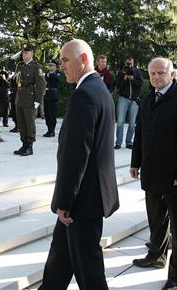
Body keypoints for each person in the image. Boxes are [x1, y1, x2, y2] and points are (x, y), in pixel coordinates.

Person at [39, 39, 120, 290]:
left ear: (83, 59)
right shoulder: (100, 90)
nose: (61, 65)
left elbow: (76, 156)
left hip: (82, 203)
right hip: (88, 197)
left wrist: (65, 202)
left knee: (90, 273)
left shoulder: (84, 95)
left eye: (65, 60)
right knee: (58, 262)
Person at [130, 58, 177, 290]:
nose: (156, 77)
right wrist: (135, 162)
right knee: (156, 219)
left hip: (175, 177)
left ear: (171, 75)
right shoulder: (148, 99)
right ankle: (156, 256)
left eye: (161, 73)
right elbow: (140, 133)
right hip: (152, 173)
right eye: (152, 74)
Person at [13, 44, 46, 156]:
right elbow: (10, 64)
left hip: (30, 98)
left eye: (26, 52)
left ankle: (30, 146)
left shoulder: (36, 67)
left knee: (29, 123)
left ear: (32, 53)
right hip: (20, 98)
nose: (24, 54)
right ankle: (24, 144)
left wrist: (38, 100)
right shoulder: (21, 66)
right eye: (23, 52)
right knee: (21, 122)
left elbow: (41, 85)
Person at [115, 55, 143, 149]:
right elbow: (119, 86)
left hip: (134, 100)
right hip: (123, 98)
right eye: (128, 63)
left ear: (133, 63)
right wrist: (124, 79)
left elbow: (140, 84)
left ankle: (129, 142)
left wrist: (133, 79)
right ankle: (118, 142)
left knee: (132, 122)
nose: (129, 65)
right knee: (120, 121)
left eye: (131, 63)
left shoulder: (137, 72)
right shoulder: (121, 73)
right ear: (125, 63)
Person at [43, 60, 61, 137]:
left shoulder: (57, 74)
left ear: (55, 67)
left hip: (53, 96)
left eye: (52, 65)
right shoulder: (46, 74)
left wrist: (48, 75)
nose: (50, 67)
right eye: (49, 65)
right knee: (47, 114)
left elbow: (57, 78)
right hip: (46, 95)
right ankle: (48, 130)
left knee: (52, 114)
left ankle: (52, 130)